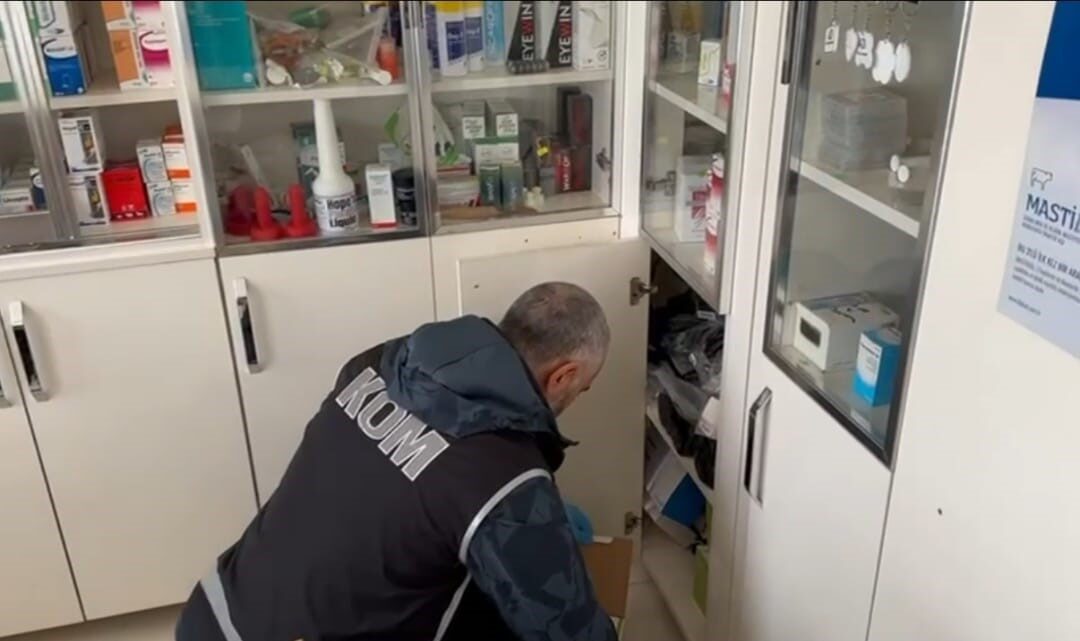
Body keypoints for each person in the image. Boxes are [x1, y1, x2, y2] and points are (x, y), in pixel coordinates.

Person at [176, 282, 617, 641]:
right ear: (564, 375)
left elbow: (404, 493)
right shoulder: (503, 474)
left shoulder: (382, 362)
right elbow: (568, 630)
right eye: (583, 388)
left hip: (215, 612)